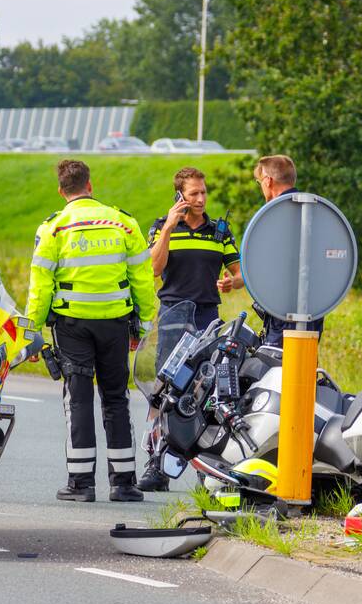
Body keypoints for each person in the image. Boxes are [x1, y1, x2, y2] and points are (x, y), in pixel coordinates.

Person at [26, 159, 158, 503]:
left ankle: (81, 484)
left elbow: (39, 288)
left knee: (79, 400)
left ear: (61, 190)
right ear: (90, 185)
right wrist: (143, 324)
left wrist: (31, 330)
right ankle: (124, 483)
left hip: (72, 327)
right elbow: (142, 279)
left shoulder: (53, 229)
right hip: (115, 323)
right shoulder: (124, 223)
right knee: (116, 398)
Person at [136, 166, 244, 491]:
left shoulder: (220, 230)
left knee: (209, 394)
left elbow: (240, 274)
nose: (200, 198)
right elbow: (153, 268)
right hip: (172, 317)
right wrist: (169, 227)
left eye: (203, 192)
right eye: (193, 193)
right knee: (163, 395)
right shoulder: (160, 226)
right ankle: (156, 464)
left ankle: (206, 469)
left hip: (207, 319)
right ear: (179, 195)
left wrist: (232, 282)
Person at [252, 154, 324, 347]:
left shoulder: (273, 216)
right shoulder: (315, 211)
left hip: (282, 311)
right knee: (305, 368)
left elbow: (265, 265)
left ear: (268, 181)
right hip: (314, 310)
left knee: (279, 370)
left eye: (259, 181)